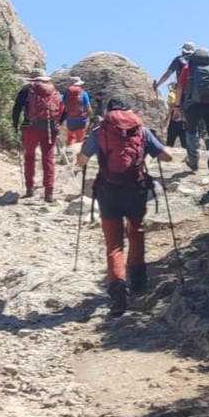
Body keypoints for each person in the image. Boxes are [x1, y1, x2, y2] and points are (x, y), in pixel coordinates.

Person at [77, 96, 174, 314]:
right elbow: (166, 157)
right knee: (136, 232)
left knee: (114, 244)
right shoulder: (140, 129)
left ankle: (118, 289)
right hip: (136, 189)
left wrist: (82, 159)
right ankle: (138, 281)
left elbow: (82, 159)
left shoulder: (100, 130)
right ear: (129, 110)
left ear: (108, 112)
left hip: (108, 190)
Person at [173, 46, 209, 176]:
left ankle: (194, 162)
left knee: (191, 131)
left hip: (192, 105)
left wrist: (177, 106)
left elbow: (179, 88)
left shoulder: (189, 68)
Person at [11, 67, 63, 201]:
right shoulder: (54, 90)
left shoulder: (27, 89)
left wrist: (15, 126)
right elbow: (64, 110)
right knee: (48, 159)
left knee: (29, 157)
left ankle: (29, 188)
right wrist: (58, 123)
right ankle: (49, 193)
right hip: (50, 129)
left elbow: (16, 109)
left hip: (30, 128)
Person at [61, 77, 93, 165]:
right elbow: (88, 107)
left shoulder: (66, 93)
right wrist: (90, 116)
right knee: (80, 140)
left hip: (70, 118)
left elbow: (62, 105)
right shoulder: (83, 93)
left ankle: (68, 158)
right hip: (81, 119)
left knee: (70, 137)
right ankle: (78, 159)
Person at [165, 84, 188, 149]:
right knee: (185, 144)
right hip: (184, 121)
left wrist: (166, 119)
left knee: (169, 144)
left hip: (174, 122)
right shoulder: (186, 95)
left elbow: (171, 107)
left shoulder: (172, 95)